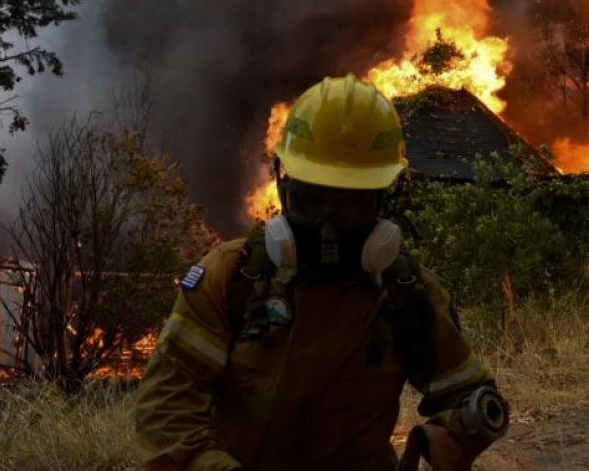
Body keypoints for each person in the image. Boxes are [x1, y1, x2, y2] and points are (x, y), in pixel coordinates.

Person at [134, 76, 508, 471]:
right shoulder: (230, 278)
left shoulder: (406, 292)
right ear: (284, 185)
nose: (329, 227)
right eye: (314, 201)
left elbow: (470, 396)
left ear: (382, 198)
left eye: (352, 204)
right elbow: (166, 411)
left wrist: (443, 435)